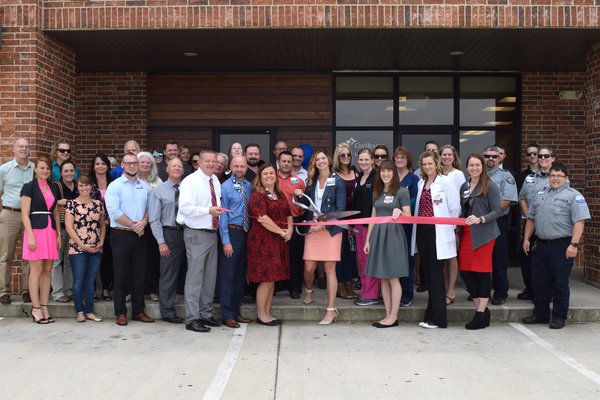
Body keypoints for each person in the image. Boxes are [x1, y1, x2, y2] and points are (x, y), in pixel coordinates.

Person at [522, 163, 590, 329]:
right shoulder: (540, 194)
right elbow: (531, 219)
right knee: (539, 281)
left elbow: (579, 222)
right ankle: (541, 314)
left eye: (560, 176)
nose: (556, 178)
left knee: (559, 283)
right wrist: (526, 239)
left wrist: (574, 244)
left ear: (566, 179)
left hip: (562, 245)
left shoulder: (573, 196)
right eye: (553, 175)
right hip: (541, 244)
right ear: (549, 177)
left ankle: (559, 317)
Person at [294, 149, 346, 325]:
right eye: (317, 159)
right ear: (314, 163)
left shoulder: (338, 181)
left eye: (323, 158)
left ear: (329, 161)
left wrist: (324, 224)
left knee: (330, 268)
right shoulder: (311, 181)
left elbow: (340, 210)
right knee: (309, 267)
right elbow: (305, 206)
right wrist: (298, 196)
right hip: (312, 226)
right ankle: (309, 289)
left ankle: (331, 310)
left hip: (330, 228)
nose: (321, 162)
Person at [411, 151, 461, 329]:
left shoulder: (445, 182)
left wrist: (449, 229)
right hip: (423, 233)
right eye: (424, 164)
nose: (427, 167)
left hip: (438, 232)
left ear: (436, 164)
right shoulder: (420, 182)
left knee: (436, 276)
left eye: (430, 164)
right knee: (430, 276)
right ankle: (430, 314)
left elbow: (455, 208)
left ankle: (439, 318)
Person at [177, 149, 223, 333]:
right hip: (196, 233)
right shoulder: (191, 181)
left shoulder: (215, 180)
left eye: (214, 161)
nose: (212, 164)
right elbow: (185, 208)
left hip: (212, 232)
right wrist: (208, 211)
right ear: (200, 162)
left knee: (209, 277)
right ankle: (192, 318)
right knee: (195, 277)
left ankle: (205, 313)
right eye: (208, 161)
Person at [105, 152, 154, 326]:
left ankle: (138, 311)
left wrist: (143, 222)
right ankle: (120, 313)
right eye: (129, 163)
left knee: (139, 275)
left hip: (140, 234)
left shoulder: (145, 186)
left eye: (135, 163)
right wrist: (134, 225)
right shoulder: (115, 186)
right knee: (120, 275)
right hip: (121, 234)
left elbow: (151, 210)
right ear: (122, 165)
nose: (132, 166)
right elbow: (114, 212)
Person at [364, 160, 412, 328]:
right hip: (378, 235)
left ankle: (394, 316)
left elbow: (409, 216)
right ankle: (387, 315)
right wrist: (367, 240)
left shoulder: (402, 192)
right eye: (383, 171)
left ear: (394, 173)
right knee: (382, 278)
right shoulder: (377, 192)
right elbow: (373, 216)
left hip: (393, 236)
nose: (385, 174)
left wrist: (400, 213)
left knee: (393, 278)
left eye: (389, 171)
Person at [458, 154, 502, 330]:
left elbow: (497, 210)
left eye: (477, 165)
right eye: (471, 165)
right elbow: (463, 209)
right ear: (467, 168)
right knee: (466, 272)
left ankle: (479, 313)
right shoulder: (464, 186)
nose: (474, 168)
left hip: (484, 235)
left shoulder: (489, 185)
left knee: (482, 272)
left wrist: (481, 219)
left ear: (482, 167)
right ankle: (483, 311)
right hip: (467, 234)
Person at [247, 163, 293, 325]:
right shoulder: (258, 194)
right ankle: (261, 315)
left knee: (272, 279)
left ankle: (267, 312)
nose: (269, 176)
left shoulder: (279, 194)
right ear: (260, 176)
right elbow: (262, 218)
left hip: (277, 241)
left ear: (276, 175)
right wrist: (281, 232)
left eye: (271, 173)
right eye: (265, 174)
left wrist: (290, 231)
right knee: (266, 279)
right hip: (263, 242)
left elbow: (288, 214)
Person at [20, 156, 61, 324]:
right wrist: (30, 235)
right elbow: (24, 213)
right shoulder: (29, 187)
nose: (45, 171)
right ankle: (35, 308)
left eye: (47, 168)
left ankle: (45, 306)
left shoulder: (53, 187)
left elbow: (57, 212)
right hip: (35, 232)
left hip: (50, 231)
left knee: (47, 270)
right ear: (35, 170)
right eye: (41, 168)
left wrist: (59, 234)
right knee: (35, 271)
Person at [149, 157, 186, 323]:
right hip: (169, 234)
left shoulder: (187, 188)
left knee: (189, 272)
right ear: (167, 169)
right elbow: (154, 219)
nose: (177, 168)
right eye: (174, 166)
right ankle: (167, 311)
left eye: (179, 166)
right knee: (169, 274)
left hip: (188, 232)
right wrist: (161, 241)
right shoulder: (159, 190)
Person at [218, 156, 254, 328]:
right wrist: (226, 241)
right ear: (230, 167)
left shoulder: (249, 186)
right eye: (236, 166)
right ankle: (227, 314)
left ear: (246, 168)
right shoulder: (225, 187)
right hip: (232, 234)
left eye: (242, 166)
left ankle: (236, 311)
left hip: (246, 234)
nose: (239, 169)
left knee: (240, 276)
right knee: (228, 275)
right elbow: (222, 215)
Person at [65, 174, 106, 323]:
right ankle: (79, 311)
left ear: (91, 187)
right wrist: (82, 245)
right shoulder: (72, 204)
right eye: (81, 185)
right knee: (78, 280)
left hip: (95, 248)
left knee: (90, 281)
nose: (84, 188)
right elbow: (69, 227)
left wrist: (101, 242)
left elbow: (102, 225)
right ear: (77, 187)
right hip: (78, 248)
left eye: (87, 185)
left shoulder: (97, 204)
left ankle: (89, 311)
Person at [517, 145, 554, 301]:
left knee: (548, 260)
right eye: (540, 156)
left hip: (551, 225)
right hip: (531, 223)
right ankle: (531, 289)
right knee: (526, 257)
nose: (543, 159)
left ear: (553, 158)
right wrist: (528, 215)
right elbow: (522, 197)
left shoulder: (558, 176)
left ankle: (548, 293)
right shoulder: (530, 178)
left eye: (546, 156)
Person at [0, 138, 35, 305]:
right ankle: (3, 291)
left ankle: (26, 289)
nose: (23, 149)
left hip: (30, 215)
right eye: (20, 146)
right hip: (10, 214)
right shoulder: (4, 169)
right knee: (5, 254)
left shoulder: (34, 168)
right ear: (13, 149)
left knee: (28, 254)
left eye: (26, 147)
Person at [484, 145, 518, 305]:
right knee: (482, 258)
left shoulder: (506, 177)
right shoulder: (478, 174)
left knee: (498, 258)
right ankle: (482, 291)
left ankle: (500, 292)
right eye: (487, 156)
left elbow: (506, 201)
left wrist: (488, 215)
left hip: (497, 222)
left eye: (494, 156)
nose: (490, 159)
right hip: (480, 223)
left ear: (500, 158)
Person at [276, 151, 306, 299]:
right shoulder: (270, 177)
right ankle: (277, 284)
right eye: (284, 161)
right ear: (279, 161)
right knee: (277, 255)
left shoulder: (298, 181)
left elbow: (304, 204)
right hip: (274, 222)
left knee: (294, 256)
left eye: (289, 161)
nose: (287, 164)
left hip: (293, 221)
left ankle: (294, 287)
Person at [440, 144, 466, 305]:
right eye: (444, 154)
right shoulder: (436, 173)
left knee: (452, 256)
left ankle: (451, 290)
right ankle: (442, 289)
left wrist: (456, 225)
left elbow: (462, 200)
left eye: (449, 155)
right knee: (441, 257)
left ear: (454, 157)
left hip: (453, 221)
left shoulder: (458, 175)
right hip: (439, 222)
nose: (447, 157)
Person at [393, 146, 420, 306]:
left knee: (406, 259)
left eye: (402, 157)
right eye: (397, 157)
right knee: (392, 259)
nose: (399, 160)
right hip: (390, 225)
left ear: (407, 160)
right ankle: (392, 292)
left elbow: (415, 200)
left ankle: (407, 294)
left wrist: (401, 207)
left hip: (406, 226)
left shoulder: (413, 179)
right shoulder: (389, 175)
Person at [352, 149, 379, 306]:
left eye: (366, 159)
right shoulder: (359, 177)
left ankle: (372, 294)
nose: (363, 162)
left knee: (370, 259)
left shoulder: (376, 178)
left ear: (372, 160)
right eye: (361, 159)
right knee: (362, 259)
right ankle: (365, 291)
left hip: (371, 225)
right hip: (358, 225)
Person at [333, 142, 358, 300]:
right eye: (342, 155)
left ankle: (349, 283)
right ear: (338, 157)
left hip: (355, 218)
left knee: (350, 253)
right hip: (340, 218)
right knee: (340, 253)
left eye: (348, 154)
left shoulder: (356, 173)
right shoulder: (333, 174)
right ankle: (340, 285)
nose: (346, 157)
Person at [51, 160, 78, 303]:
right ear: (61, 173)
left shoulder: (78, 187)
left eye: (71, 171)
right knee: (56, 261)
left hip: (74, 230)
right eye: (66, 171)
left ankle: (69, 289)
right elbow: (50, 204)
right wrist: (58, 202)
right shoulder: (56, 186)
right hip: (59, 229)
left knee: (70, 261)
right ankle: (57, 292)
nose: (69, 173)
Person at [89, 153, 114, 301]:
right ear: (93, 166)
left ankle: (105, 288)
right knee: (92, 258)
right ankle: (91, 289)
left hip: (111, 226)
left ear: (107, 166)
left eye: (103, 164)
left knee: (107, 258)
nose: (100, 166)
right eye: (97, 164)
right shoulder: (88, 182)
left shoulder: (114, 182)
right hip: (91, 226)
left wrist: (109, 219)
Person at [138, 151, 162, 302]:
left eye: (149, 163)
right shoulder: (132, 180)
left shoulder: (157, 181)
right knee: (135, 260)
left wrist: (147, 220)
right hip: (134, 225)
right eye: (143, 162)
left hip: (152, 225)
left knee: (152, 259)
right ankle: (134, 290)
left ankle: (152, 289)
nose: (146, 165)